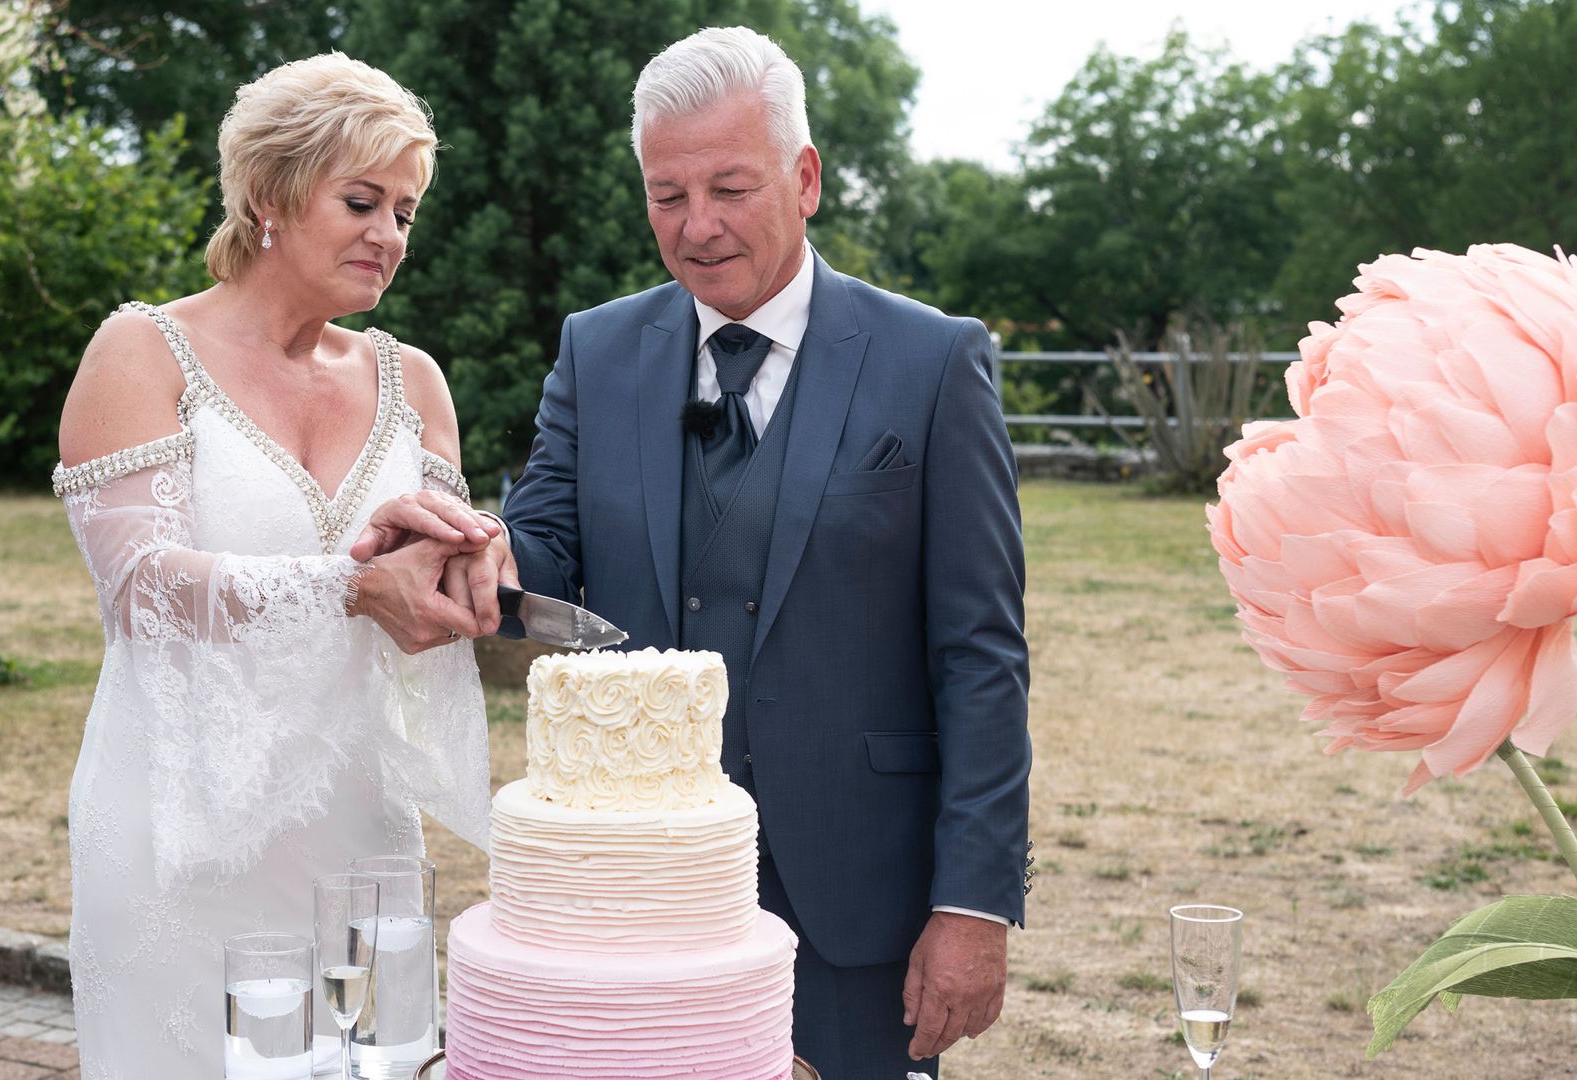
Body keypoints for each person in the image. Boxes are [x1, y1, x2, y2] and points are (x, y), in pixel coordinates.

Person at [375, 25, 1033, 1077]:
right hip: (637, 895)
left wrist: (973, 904)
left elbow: (981, 654)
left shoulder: (933, 359)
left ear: (805, 178)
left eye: (730, 188)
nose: (697, 226)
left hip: (858, 900)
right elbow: (540, 547)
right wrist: (471, 551)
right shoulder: (596, 350)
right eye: (667, 195)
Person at [53, 53, 496, 1077]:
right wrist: (350, 585)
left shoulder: (414, 381)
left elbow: (427, 577)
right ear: (270, 194)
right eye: (362, 202)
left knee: (374, 1062)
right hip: (177, 830)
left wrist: (474, 552)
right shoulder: (142, 350)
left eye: (405, 213)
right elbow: (140, 586)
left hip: (360, 833)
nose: (389, 236)